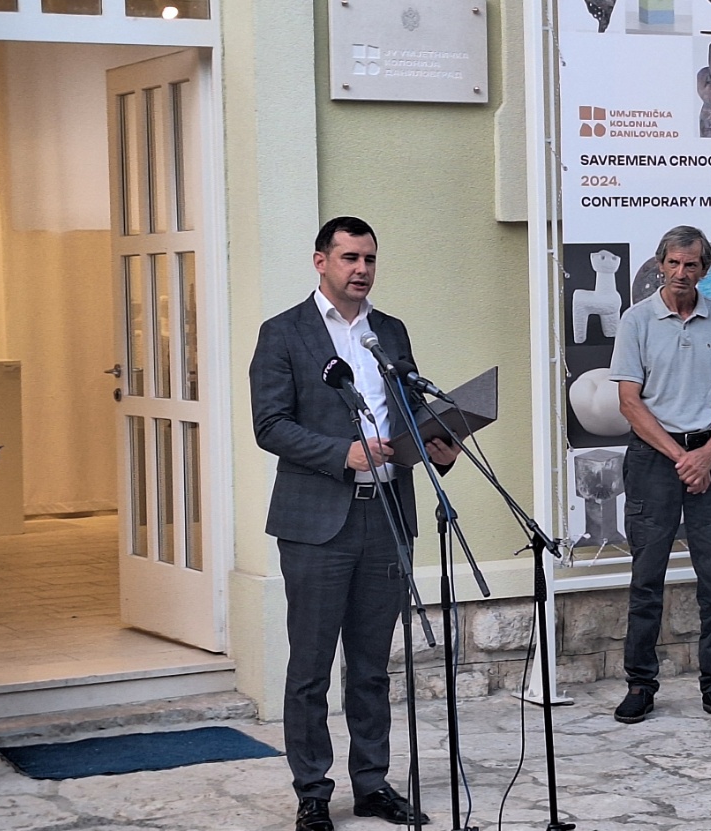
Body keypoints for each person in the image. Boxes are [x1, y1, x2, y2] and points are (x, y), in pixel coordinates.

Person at [250, 216, 459, 831]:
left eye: (369, 258)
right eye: (349, 258)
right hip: (318, 522)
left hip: (388, 514)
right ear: (321, 262)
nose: (361, 269)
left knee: (371, 665)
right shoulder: (283, 333)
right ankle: (313, 792)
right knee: (311, 667)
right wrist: (342, 453)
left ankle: (372, 783)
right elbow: (270, 425)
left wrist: (438, 444)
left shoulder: (389, 332)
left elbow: (409, 410)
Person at [608, 225, 711, 724]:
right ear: (660, 265)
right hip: (655, 459)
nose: (681, 273)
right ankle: (640, 685)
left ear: (704, 269)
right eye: (673, 263)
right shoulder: (636, 320)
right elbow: (629, 402)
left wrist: (707, 455)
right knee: (647, 579)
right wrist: (681, 458)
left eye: (691, 264)